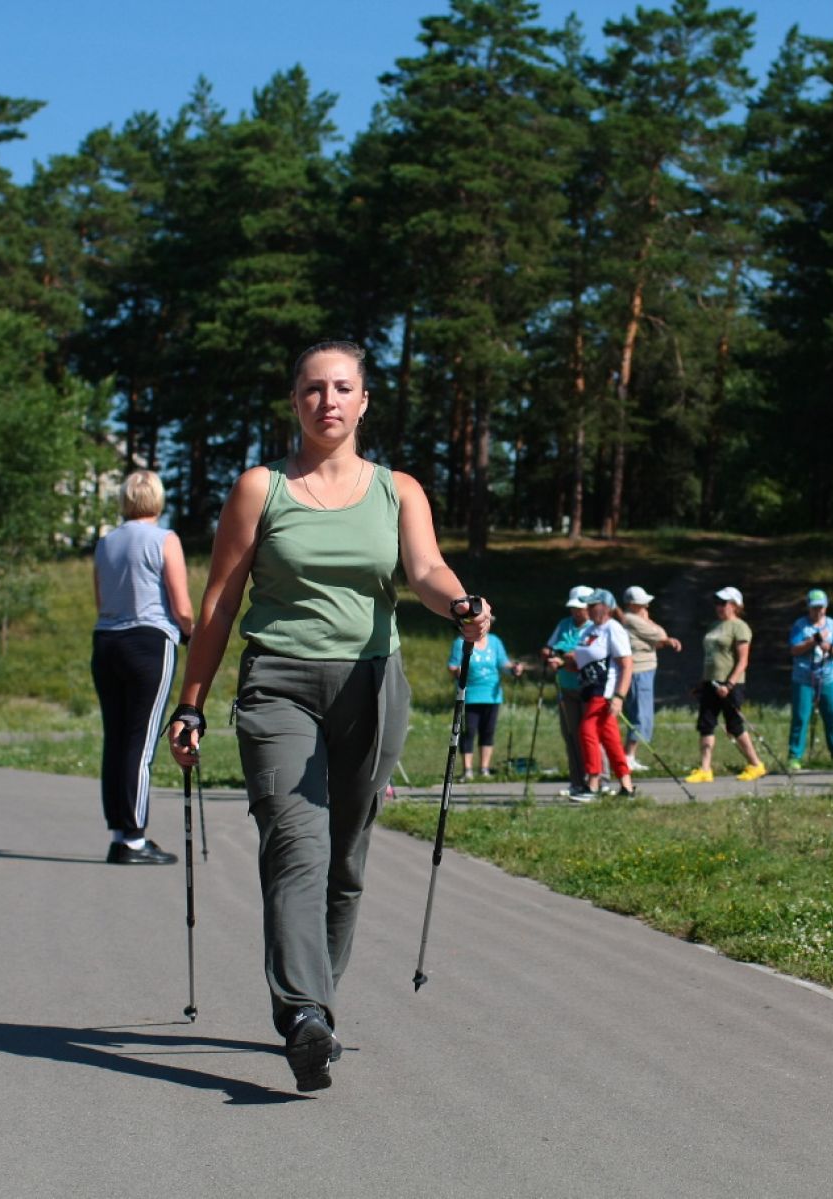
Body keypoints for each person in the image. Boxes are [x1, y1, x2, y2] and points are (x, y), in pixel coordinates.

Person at [167, 340, 492, 1092]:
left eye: (343, 388)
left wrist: (461, 604)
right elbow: (217, 602)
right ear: (295, 403)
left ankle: (321, 1001)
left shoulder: (398, 490)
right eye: (313, 389)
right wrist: (191, 702)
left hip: (371, 687)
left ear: (364, 401)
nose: (328, 401)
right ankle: (303, 1013)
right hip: (277, 683)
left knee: (345, 859)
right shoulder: (261, 487)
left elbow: (426, 570)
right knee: (296, 842)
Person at [90, 470, 194, 865]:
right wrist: (193, 633)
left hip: (107, 642)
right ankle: (134, 839)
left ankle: (120, 832)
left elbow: (102, 600)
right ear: (157, 498)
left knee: (115, 740)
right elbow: (181, 606)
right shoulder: (165, 539)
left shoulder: (105, 543)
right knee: (141, 740)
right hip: (148, 641)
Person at [685, 586, 768, 783]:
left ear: (734, 605)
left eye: (723, 603)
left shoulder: (739, 627)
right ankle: (705, 769)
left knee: (734, 726)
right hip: (711, 682)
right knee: (706, 724)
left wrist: (729, 684)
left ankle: (756, 764)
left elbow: (743, 660)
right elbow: (712, 657)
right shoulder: (714, 626)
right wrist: (703, 682)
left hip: (730, 683)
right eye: (717, 603)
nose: (719, 607)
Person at [563, 589, 635, 802]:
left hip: (604, 693)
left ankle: (593, 783)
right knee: (610, 739)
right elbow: (582, 662)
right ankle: (626, 785)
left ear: (605, 607)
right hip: (588, 691)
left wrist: (619, 697)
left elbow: (626, 665)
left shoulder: (613, 629)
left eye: (593, 605)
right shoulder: (589, 631)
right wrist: (564, 662)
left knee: (586, 730)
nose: (589, 609)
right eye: (588, 605)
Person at [447, 619, 521, 778]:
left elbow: (503, 664)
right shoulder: (460, 643)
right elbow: (452, 666)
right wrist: (458, 672)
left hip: (492, 695)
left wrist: (513, 668)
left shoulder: (495, 641)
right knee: (468, 731)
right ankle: (467, 770)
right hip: (469, 695)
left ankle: (484, 768)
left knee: (488, 731)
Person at [618, 585, 680, 771]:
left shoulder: (637, 620)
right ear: (631, 604)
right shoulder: (631, 619)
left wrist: (649, 622)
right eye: (642, 603)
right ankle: (627, 756)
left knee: (642, 713)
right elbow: (660, 635)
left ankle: (630, 755)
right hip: (638, 672)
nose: (646, 606)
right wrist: (649, 622)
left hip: (646, 670)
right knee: (640, 714)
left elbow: (659, 640)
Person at [543, 587, 599, 783]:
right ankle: (577, 780)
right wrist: (550, 656)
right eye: (573, 608)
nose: (576, 612)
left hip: (589, 689)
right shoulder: (564, 624)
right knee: (571, 735)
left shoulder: (596, 626)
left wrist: (567, 658)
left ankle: (599, 778)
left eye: (580, 608)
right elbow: (550, 648)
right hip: (566, 687)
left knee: (590, 734)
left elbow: (589, 655)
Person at [787, 589, 833, 768]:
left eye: (821, 608)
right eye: (814, 608)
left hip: (827, 676)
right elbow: (794, 649)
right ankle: (794, 756)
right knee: (800, 716)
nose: (818, 612)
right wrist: (811, 642)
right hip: (803, 678)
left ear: (826, 607)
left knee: (831, 715)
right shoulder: (800, 625)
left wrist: (828, 647)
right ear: (808, 608)